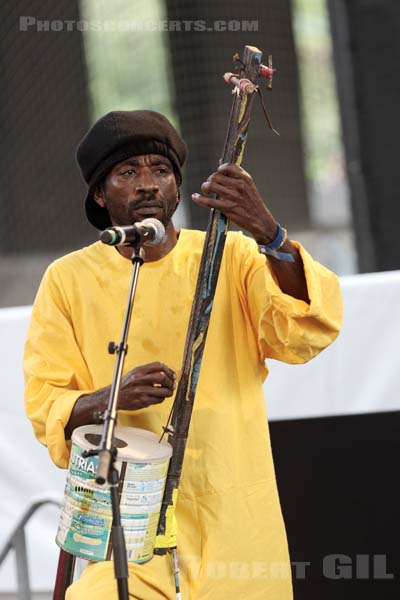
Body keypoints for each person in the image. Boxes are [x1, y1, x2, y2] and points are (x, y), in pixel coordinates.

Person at [24, 109, 342, 599]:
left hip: (233, 515)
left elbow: (305, 330)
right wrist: (110, 397)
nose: (148, 184)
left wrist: (269, 234)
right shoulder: (67, 280)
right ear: (100, 194)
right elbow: (49, 405)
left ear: (177, 187)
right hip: (128, 525)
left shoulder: (230, 257)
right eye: (128, 172)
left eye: (161, 170)